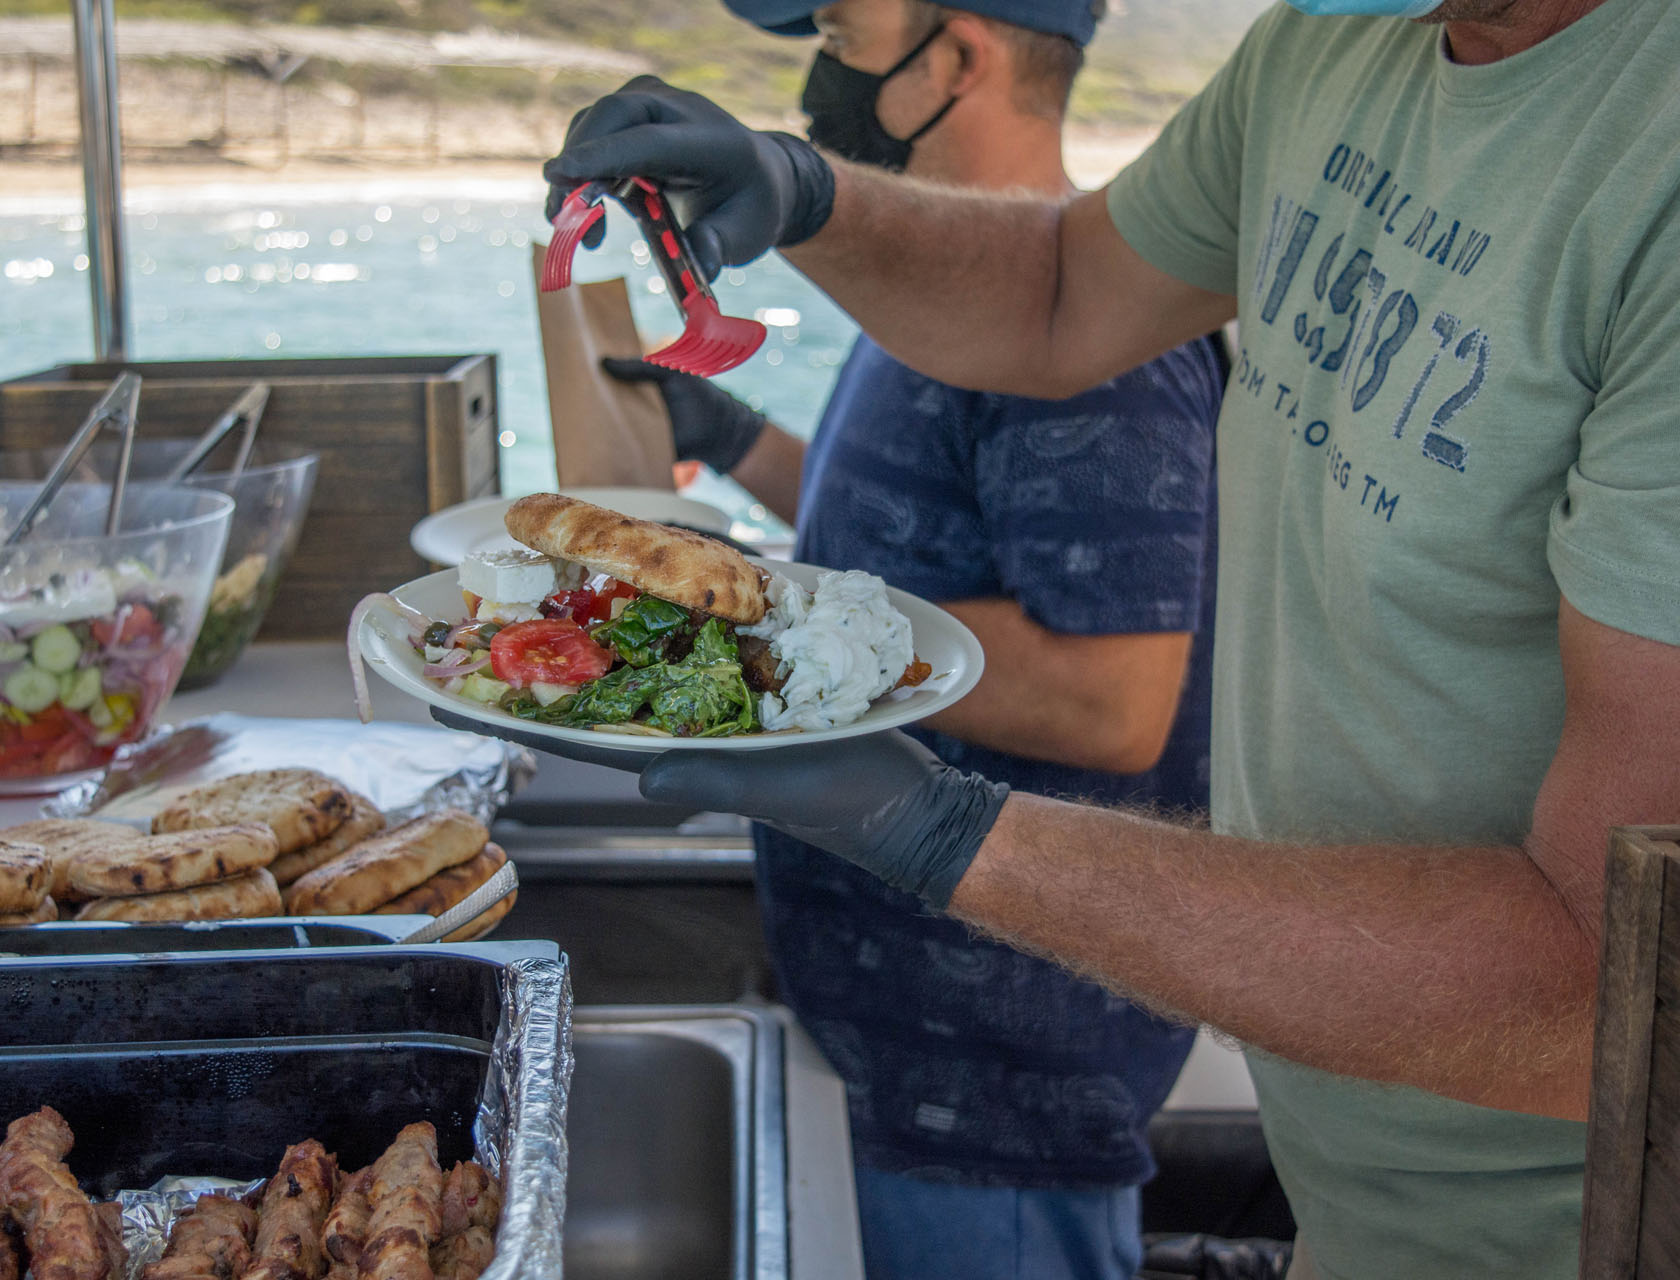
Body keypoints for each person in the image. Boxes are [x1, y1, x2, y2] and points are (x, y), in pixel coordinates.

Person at [453, 1, 1680, 1277]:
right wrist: (807, 191)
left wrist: (941, 827)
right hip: (1352, 1179)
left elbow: (1619, 987)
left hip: (1573, 1226)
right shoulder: (1328, 47)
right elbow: (1060, 293)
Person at [596, 3, 1222, 1276]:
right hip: (898, 1036)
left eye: (840, 27)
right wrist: (728, 439)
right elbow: (904, 560)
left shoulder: (1099, 357)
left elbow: (1117, 696)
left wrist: (774, 621)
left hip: (996, 1081)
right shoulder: (942, 307)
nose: (815, 72)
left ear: (958, 57)